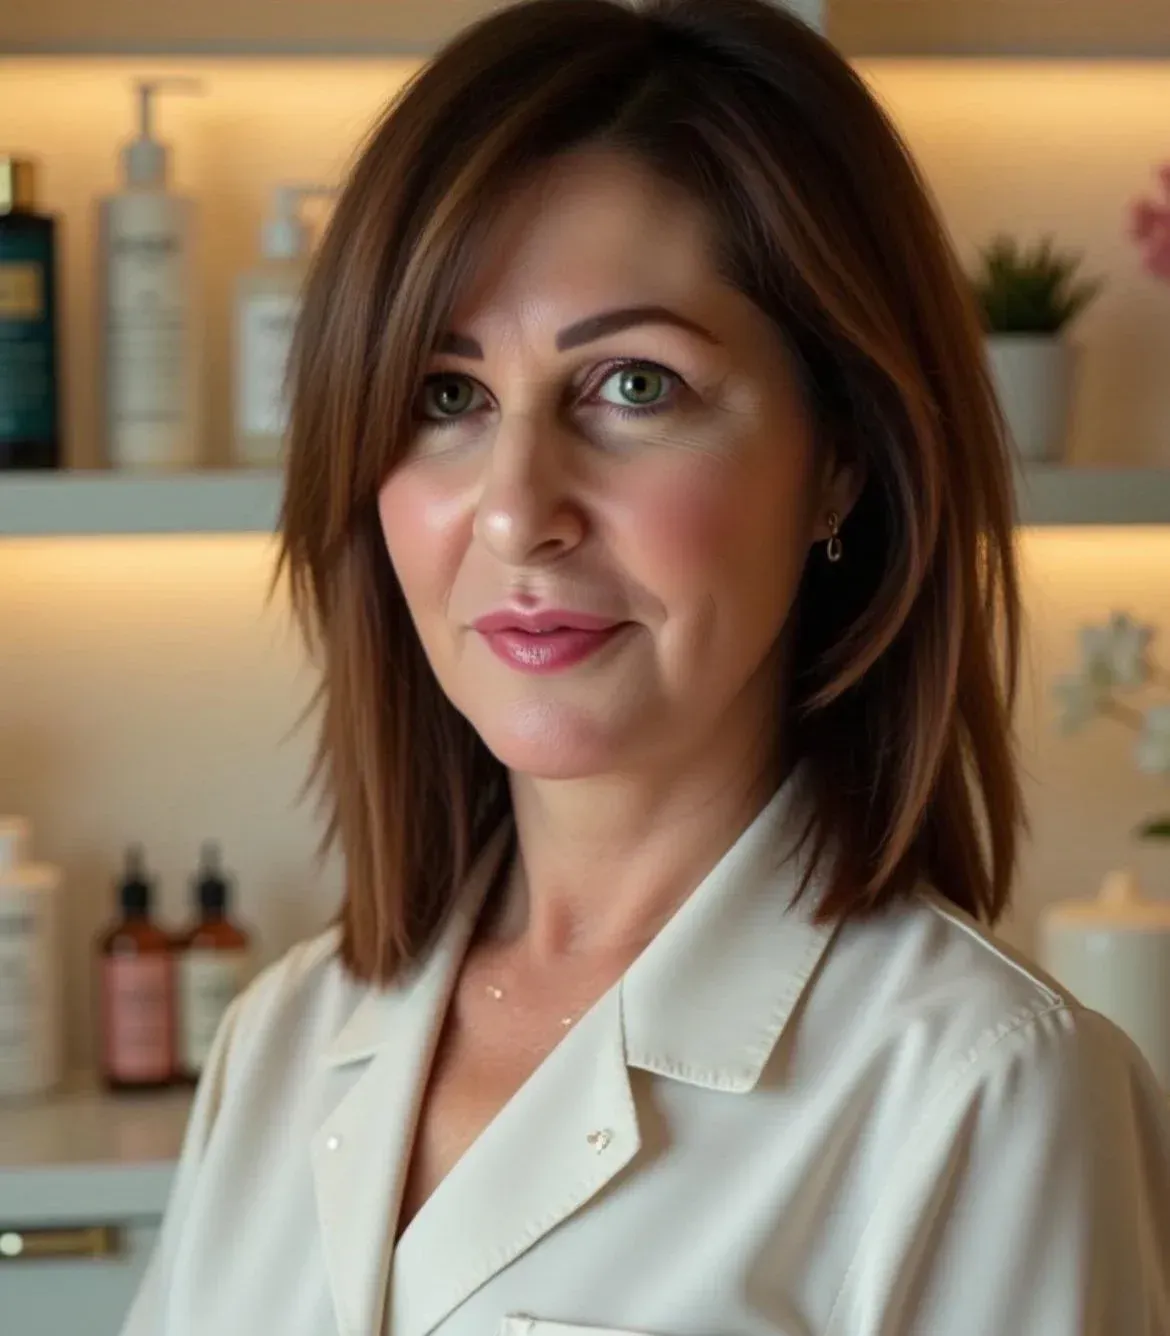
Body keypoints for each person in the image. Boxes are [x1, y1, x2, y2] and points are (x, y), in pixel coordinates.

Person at [122, 2, 1170, 1333]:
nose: (517, 510)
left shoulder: (984, 1094)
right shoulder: (285, 1035)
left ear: (838, 455)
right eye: (447, 397)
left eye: (633, 387)